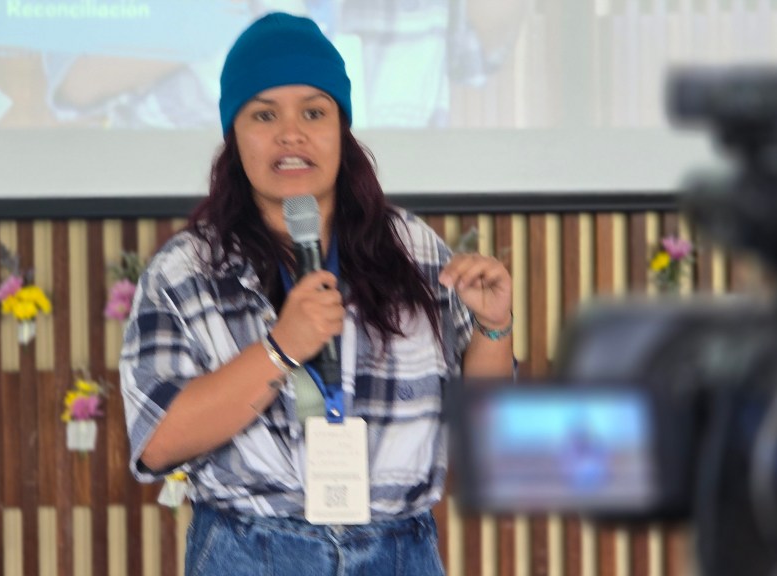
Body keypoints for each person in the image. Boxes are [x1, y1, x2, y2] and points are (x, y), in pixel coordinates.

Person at [120, 11, 515, 576]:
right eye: (264, 114)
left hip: (397, 552)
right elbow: (158, 442)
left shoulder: (414, 250)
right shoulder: (185, 270)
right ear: (234, 136)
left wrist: (494, 328)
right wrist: (280, 349)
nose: (291, 134)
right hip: (249, 551)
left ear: (341, 131)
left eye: (313, 111)